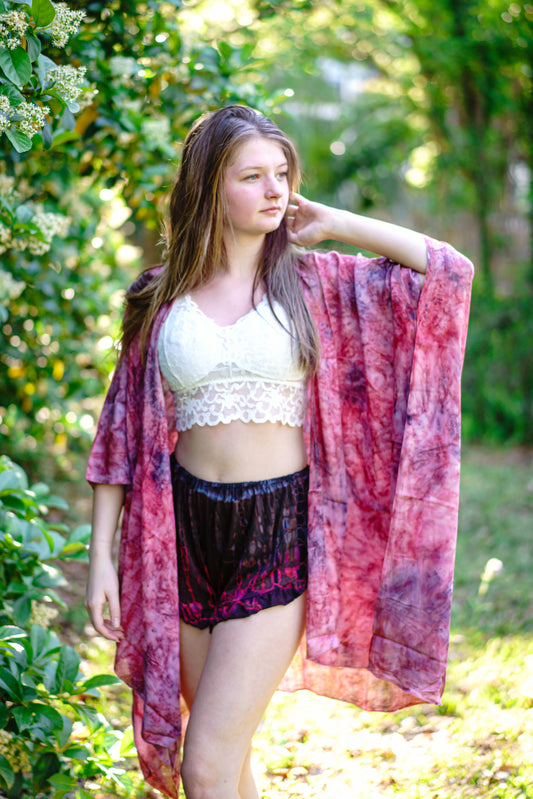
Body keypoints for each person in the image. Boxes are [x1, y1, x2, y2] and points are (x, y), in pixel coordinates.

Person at [85, 105, 473, 799]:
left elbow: (448, 272)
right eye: (252, 176)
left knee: (203, 765)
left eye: (282, 174)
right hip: (179, 534)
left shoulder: (313, 282)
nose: (275, 190)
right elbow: (119, 433)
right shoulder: (157, 297)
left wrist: (336, 222)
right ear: (209, 186)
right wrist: (101, 560)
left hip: (278, 533)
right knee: (227, 760)